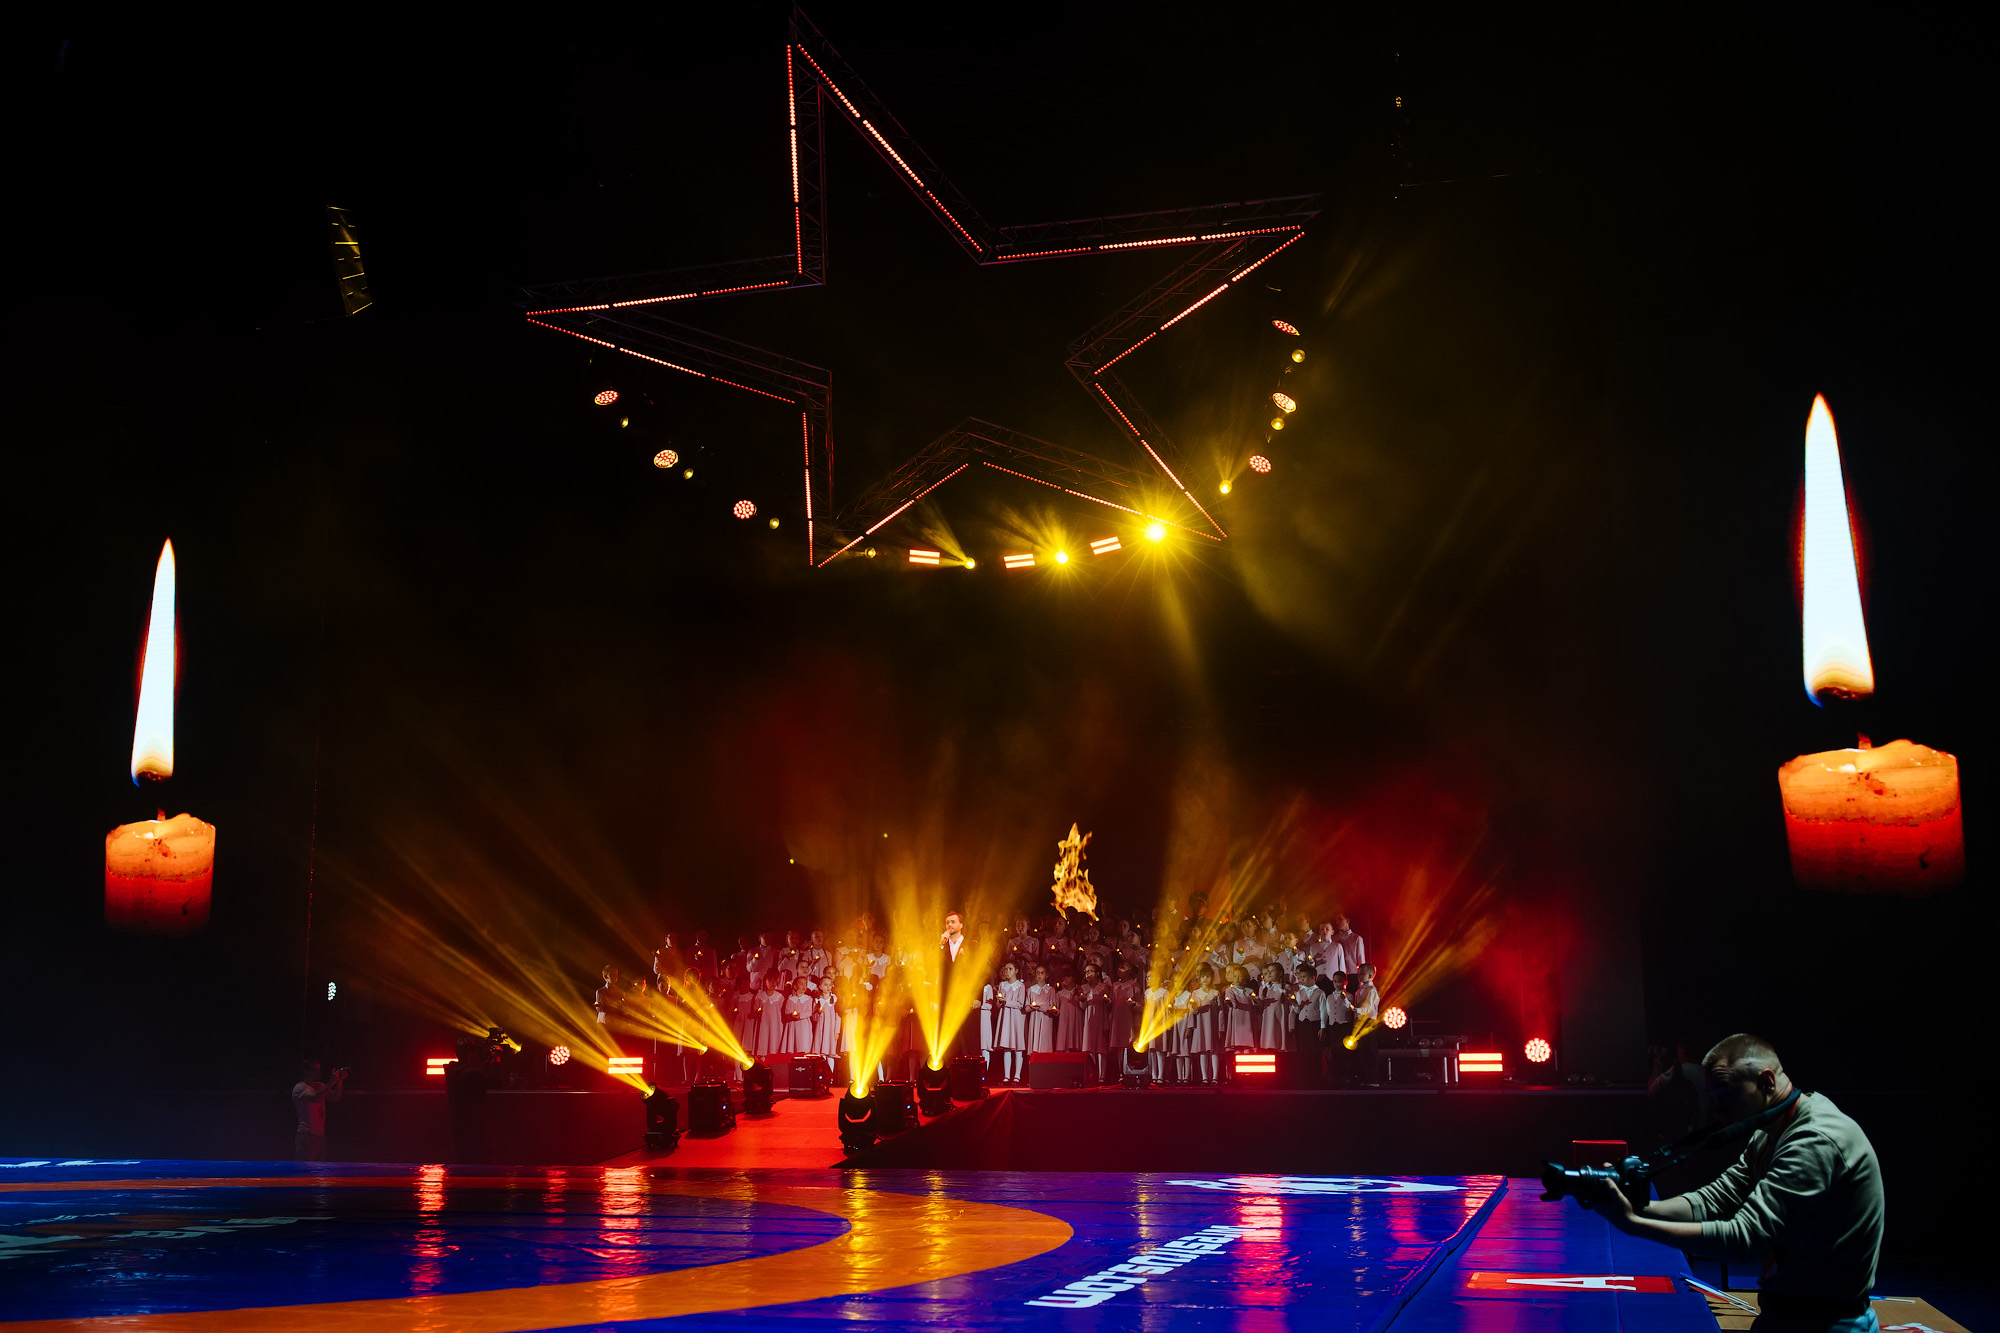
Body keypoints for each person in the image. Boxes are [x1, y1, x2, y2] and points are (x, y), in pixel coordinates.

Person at [1572, 1034, 1883, 1333]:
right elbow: (1713, 1200)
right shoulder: (1769, 1131)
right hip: (1788, 1315)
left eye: (1728, 1097)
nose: (1720, 1112)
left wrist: (1634, 1224)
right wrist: (1639, 1207)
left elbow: (1743, 1239)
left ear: (1767, 1082)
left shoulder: (1814, 1140)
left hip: (1826, 1323)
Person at [291, 1060, 345, 1161]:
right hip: (307, 1134)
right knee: (305, 1167)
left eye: (319, 1070)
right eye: (314, 1070)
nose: (317, 1073)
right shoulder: (300, 1088)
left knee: (320, 1167)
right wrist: (331, 1082)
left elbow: (336, 1098)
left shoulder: (320, 1086)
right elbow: (315, 1097)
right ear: (305, 1070)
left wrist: (339, 1080)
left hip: (320, 1135)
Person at [995, 962, 1028, 1084]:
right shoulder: (1002, 985)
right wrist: (1000, 1001)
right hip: (1005, 1017)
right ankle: (1007, 1076)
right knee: (1007, 1047)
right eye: (1006, 969)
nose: (1007, 971)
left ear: (1016, 971)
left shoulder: (1020, 986)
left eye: (1010, 969)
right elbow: (998, 1005)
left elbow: (1020, 1004)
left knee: (1018, 1047)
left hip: (1016, 1018)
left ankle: (1017, 1076)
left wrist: (1006, 1001)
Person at [1026, 964, 1057, 1057]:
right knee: (1034, 1040)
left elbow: (1053, 1007)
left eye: (1042, 973)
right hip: (1035, 1019)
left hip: (1046, 1019)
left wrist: (1042, 1007)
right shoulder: (1031, 989)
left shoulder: (1050, 990)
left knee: (1045, 1042)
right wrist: (1032, 1007)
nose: (1040, 975)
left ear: (1046, 975)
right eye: (1038, 973)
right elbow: (1026, 1008)